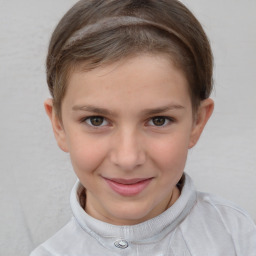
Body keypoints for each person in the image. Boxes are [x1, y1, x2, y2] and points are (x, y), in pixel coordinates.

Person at [30, 0, 256, 255]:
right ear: (59, 125)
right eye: (96, 120)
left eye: (159, 120)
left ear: (197, 122)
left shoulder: (237, 235)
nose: (128, 158)